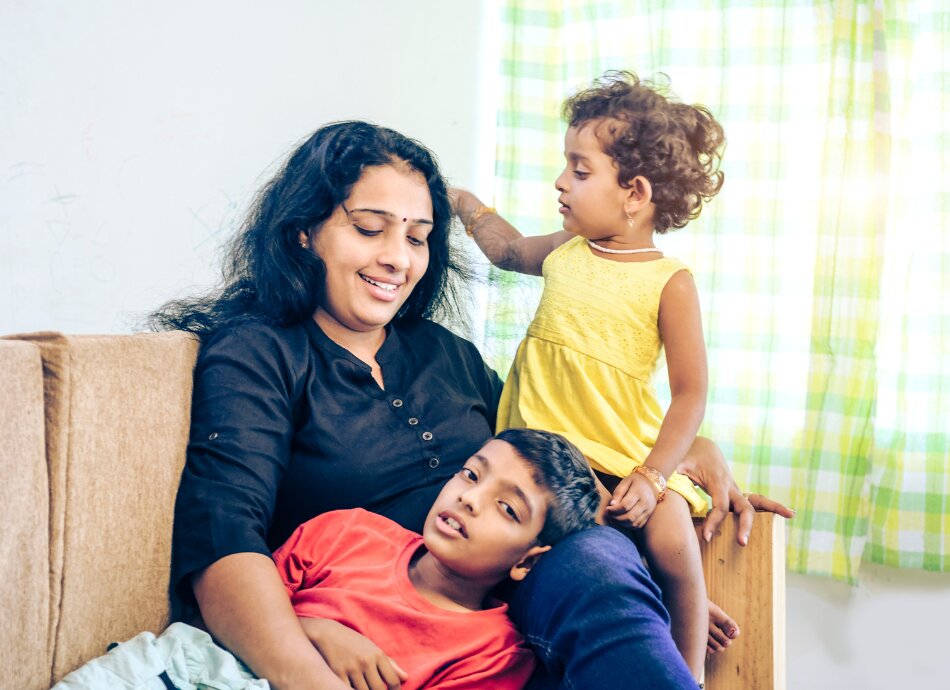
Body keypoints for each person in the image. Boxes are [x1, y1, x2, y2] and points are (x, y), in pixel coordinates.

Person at [154, 119, 792, 690]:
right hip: (397, 622)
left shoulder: (447, 354)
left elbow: (561, 460)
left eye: (418, 236)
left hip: (524, 598)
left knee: (596, 565)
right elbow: (223, 540)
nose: (397, 259)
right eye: (370, 229)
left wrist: (664, 539)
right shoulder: (257, 355)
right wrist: (307, 665)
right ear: (302, 232)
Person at [451, 70, 731, 678]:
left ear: (634, 193)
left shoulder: (669, 282)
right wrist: (464, 202)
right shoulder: (564, 250)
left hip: (621, 453)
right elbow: (503, 250)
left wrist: (654, 476)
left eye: (580, 171)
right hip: (552, 453)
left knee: (671, 535)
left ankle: (685, 671)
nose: (560, 182)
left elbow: (691, 392)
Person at [274, 428, 599, 690]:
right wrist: (315, 632)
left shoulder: (492, 656)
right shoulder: (347, 532)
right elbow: (235, 605)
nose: (469, 498)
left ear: (526, 562)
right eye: (471, 475)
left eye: (507, 508)